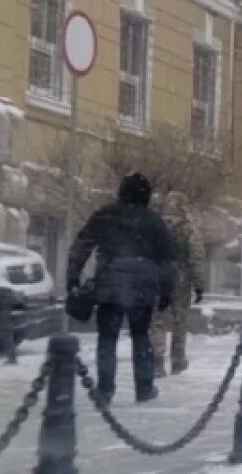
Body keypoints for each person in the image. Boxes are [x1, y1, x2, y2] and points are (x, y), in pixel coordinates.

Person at [68, 172, 175, 404]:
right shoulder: (153, 221)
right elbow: (167, 259)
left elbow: (80, 247)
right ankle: (144, 387)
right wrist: (166, 291)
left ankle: (105, 389)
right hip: (142, 289)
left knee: (107, 338)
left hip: (109, 286)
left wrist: (73, 278)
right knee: (140, 336)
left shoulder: (105, 215)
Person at [150, 192, 206, 377]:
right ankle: (178, 359)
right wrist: (199, 284)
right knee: (179, 319)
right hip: (180, 279)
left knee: (157, 320)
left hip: (158, 278)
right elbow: (196, 258)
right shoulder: (188, 230)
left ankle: (157, 361)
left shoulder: (155, 227)